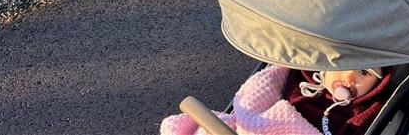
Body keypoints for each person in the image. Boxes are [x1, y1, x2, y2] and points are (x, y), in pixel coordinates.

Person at [160, 66, 392, 135]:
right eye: (342, 64)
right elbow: (256, 99)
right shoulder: (298, 77)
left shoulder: (362, 113)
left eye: (364, 72)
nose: (349, 77)